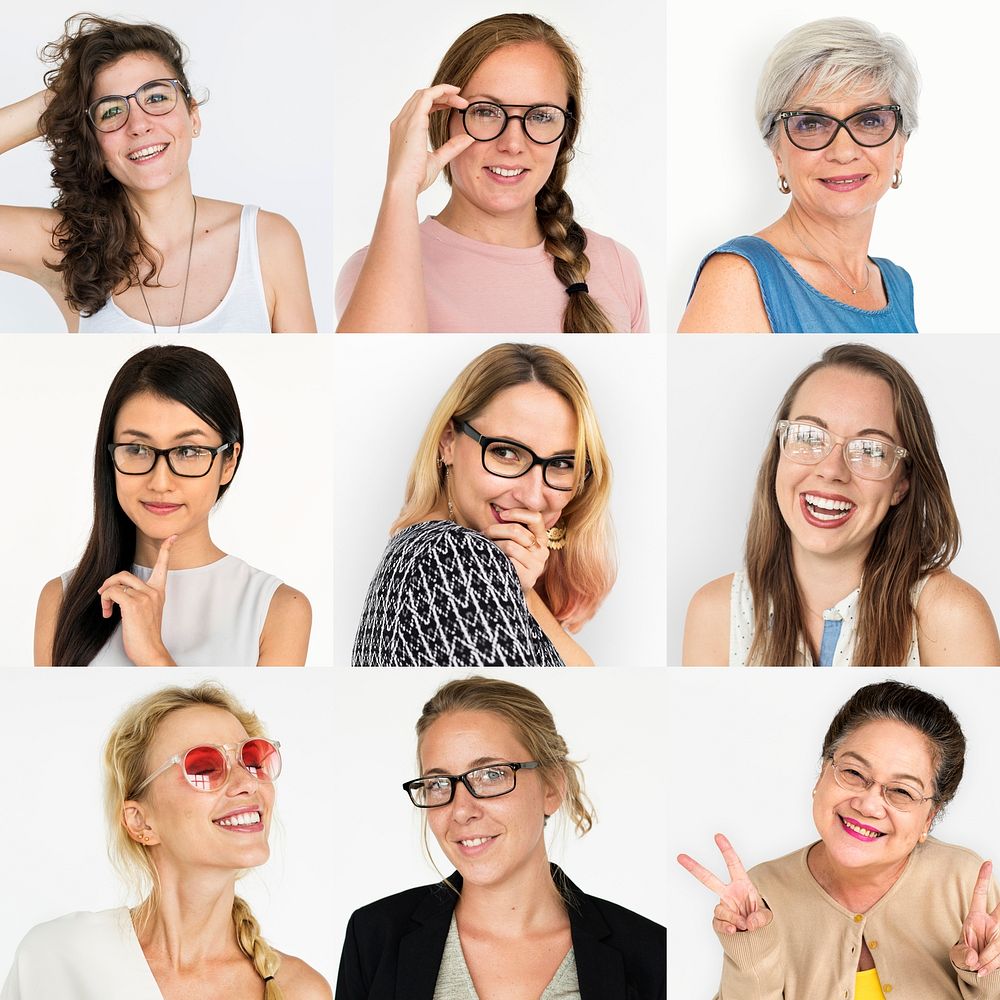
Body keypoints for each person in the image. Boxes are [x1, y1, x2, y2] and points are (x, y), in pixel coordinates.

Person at [336, 675, 665, 999]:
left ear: (551, 786)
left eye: (491, 774)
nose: (462, 810)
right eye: (438, 783)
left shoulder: (648, 951)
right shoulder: (373, 937)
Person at [1, 682, 330, 999]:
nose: (247, 782)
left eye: (254, 760)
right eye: (205, 766)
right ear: (140, 822)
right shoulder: (55, 960)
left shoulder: (303, 991)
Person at [678, 680, 1000, 999]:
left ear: (928, 818)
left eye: (902, 791)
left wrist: (989, 976)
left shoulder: (964, 882)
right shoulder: (762, 893)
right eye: (854, 773)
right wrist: (752, 953)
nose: (869, 804)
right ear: (822, 772)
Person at [683, 343, 1000, 665]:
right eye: (809, 436)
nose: (832, 470)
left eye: (870, 450)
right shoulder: (716, 611)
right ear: (779, 452)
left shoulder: (952, 617)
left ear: (902, 484)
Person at [0, 14, 315, 332]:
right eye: (111, 110)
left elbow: (306, 380)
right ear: (92, 139)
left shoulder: (267, 241)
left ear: (193, 115)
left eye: (156, 97)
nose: (138, 125)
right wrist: (61, 99)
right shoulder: (66, 245)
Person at [336, 13, 647, 333]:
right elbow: (379, 373)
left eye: (541, 116)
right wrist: (401, 186)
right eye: (485, 111)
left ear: (566, 131)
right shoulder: (372, 270)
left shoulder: (617, 266)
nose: (512, 143)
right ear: (443, 119)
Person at [34, 344, 311, 666]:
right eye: (137, 449)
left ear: (229, 462)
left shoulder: (279, 609)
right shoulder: (61, 600)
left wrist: (153, 653)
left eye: (188, 451)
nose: (160, 482)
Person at [352, 342, 614, 666]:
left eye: (561, 464)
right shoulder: (454, 557)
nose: (532, 497)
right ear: (448, 441)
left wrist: (522, 591)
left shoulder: (431, 552)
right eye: (505, 452)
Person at [679, 18, 918, 333]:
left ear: (899, 146)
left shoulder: (897, 284)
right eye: (812, 124)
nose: (843, 151)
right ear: (777, 151)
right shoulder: (739, 277)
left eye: (869, 120)